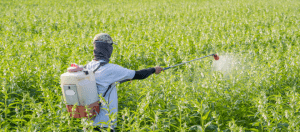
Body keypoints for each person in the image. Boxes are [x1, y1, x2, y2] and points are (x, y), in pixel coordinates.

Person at [85, 33, 163, 131]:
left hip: (88, 123)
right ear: (108, 49)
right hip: (104, 124)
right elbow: (138, 74)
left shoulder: (88, 66)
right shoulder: (110, 69)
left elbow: (103, 81)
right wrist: (153, 70)